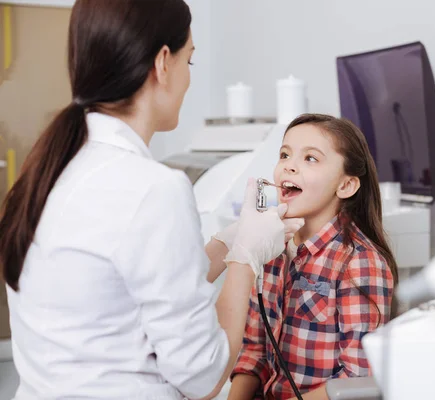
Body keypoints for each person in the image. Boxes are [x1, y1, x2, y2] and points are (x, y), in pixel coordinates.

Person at [0, 1, 303, 399]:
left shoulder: (48, 169)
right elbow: (205, 374)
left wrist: (229, 239)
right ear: (163, 62)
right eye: (189, 62)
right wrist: (245, 257)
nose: (189, 80)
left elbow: (129, 285)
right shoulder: (152, 188)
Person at [227, 114, 398, 400]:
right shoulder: (270, 247)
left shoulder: (359, 263)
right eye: (285, 154)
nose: (289, 166)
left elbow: (357, 380)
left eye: (311, 159)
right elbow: (254, 350)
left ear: (345, 186)